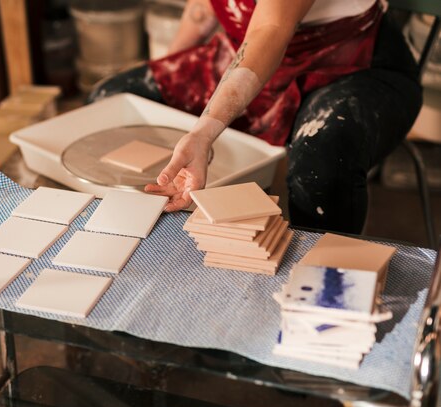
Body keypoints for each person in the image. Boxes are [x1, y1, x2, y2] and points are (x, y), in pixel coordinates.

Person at [88, 0, 422, 234]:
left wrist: (202, 133)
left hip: (348, 60)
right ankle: (140, 242)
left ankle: (322, 300)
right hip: (243, 51)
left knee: (321, 164)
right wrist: (172, 69)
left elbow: (271, 28)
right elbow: (205, 9)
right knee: (112, 101)